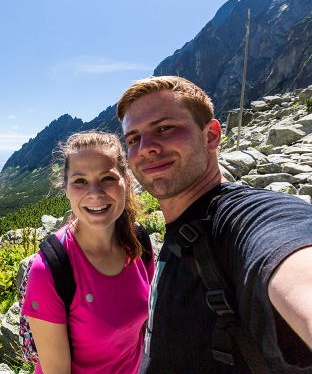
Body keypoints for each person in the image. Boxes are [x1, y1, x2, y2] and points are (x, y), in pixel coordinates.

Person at [117, 75, 312, 373]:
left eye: (165, 128)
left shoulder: (247, 218)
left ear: (211, 135)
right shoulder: (178, 228)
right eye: (133, 138)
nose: (145, 147)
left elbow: (289, 257)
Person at [21, 131, 155, 374]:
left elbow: (144, 330)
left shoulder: (139, 242)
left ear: (126, 180)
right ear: (66, 188)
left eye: (107, 178)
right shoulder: (49, 270)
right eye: (80, 181)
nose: (95, 193)